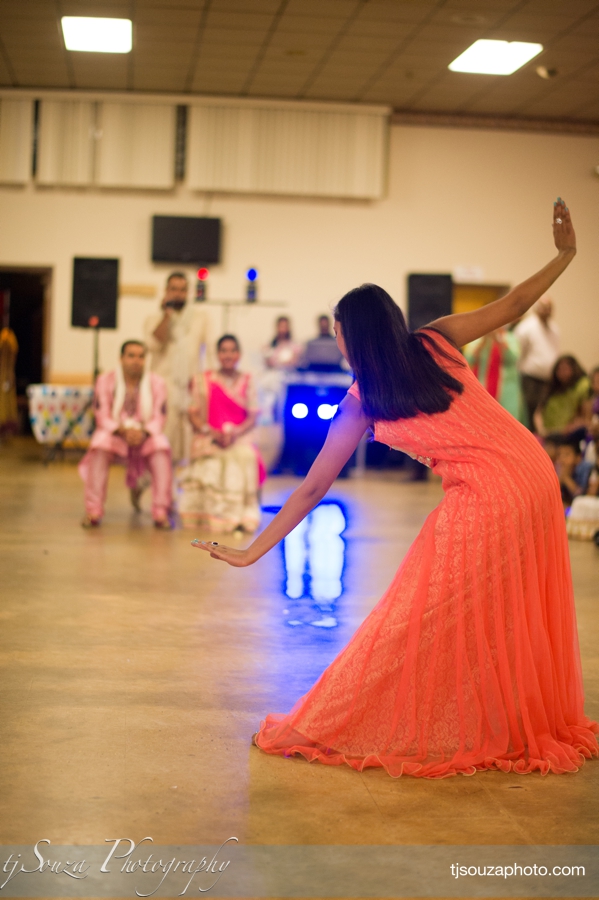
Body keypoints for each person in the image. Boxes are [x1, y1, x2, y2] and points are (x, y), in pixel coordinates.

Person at [194, 199, 598, 778]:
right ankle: (501, 718)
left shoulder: (359, 403)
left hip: (489, 492)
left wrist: (251, 551)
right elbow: (514, 305)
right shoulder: (436, 340)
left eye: (336, 327)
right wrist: (565, 255)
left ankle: (347, 720)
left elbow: (310, 490)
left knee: (413, 617)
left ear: (348, 332)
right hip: (534, 473)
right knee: (492, 606)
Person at [79, 341, 172, 528]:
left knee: (162, 448)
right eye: (131, 356)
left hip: (144, 434)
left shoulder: (157, 382)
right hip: (116, 434)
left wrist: (143, 432)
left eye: (140, 356)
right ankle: (93, 510)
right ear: (121, 358)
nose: (136, 361)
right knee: (99, 446)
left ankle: (160, 512)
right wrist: (122, 431)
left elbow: (159, 417)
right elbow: (102, 415)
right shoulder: (105, 380)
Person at [178, 335, 266, 533]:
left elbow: (252, 416)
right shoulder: (203, 380)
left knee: (245, 456)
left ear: (239, 354)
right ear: (217, 354)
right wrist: (210, 432)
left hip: (239, 436)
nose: (228, 355)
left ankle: (240, 516)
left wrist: (235, 433)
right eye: (224, 350)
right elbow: (193, 414)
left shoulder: (248, 380)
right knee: (211, 461)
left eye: (232, 350)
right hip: (209, 435)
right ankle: (209, 517)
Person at [144, 272, 213, 463]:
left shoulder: (200, 317)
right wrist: (167, 316)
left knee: (191, 440)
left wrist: (209, 383)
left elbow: (210, 350)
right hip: (164, 387)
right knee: (165, 439)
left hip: (191, 386)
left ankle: (187, 487)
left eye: (182, 290)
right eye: (173, 289)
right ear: (166, 291)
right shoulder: (154, 318)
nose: (178, 294)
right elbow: (154, 345)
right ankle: (164, 486)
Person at [514, 295, 560, 430]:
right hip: (529, 378)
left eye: (549, 308)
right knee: (529, 411)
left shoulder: (555, 329)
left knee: (542, 412)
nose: (546, 311)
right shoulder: (525, 327)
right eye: (544, 308)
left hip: (548, 378)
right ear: (536, 309)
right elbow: (518, 353)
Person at [463, 327, 524, 422]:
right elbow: (469, 359)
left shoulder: (510, 338)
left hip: (505, 390)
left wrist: (497, 340)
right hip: (481, 388)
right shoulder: (476, 339)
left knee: (506, 422)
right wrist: (482, 342)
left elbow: (512, 359)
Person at [533, 355, 590, 443]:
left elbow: (585, 415)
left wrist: (571, 428)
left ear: (574, 369)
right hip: (546, 434)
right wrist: (542, 430)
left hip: (568, 436)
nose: (562, 372)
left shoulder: (582, 385)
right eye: (559, 369)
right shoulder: (552, 388)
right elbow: (538, 413)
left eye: (566, 369)